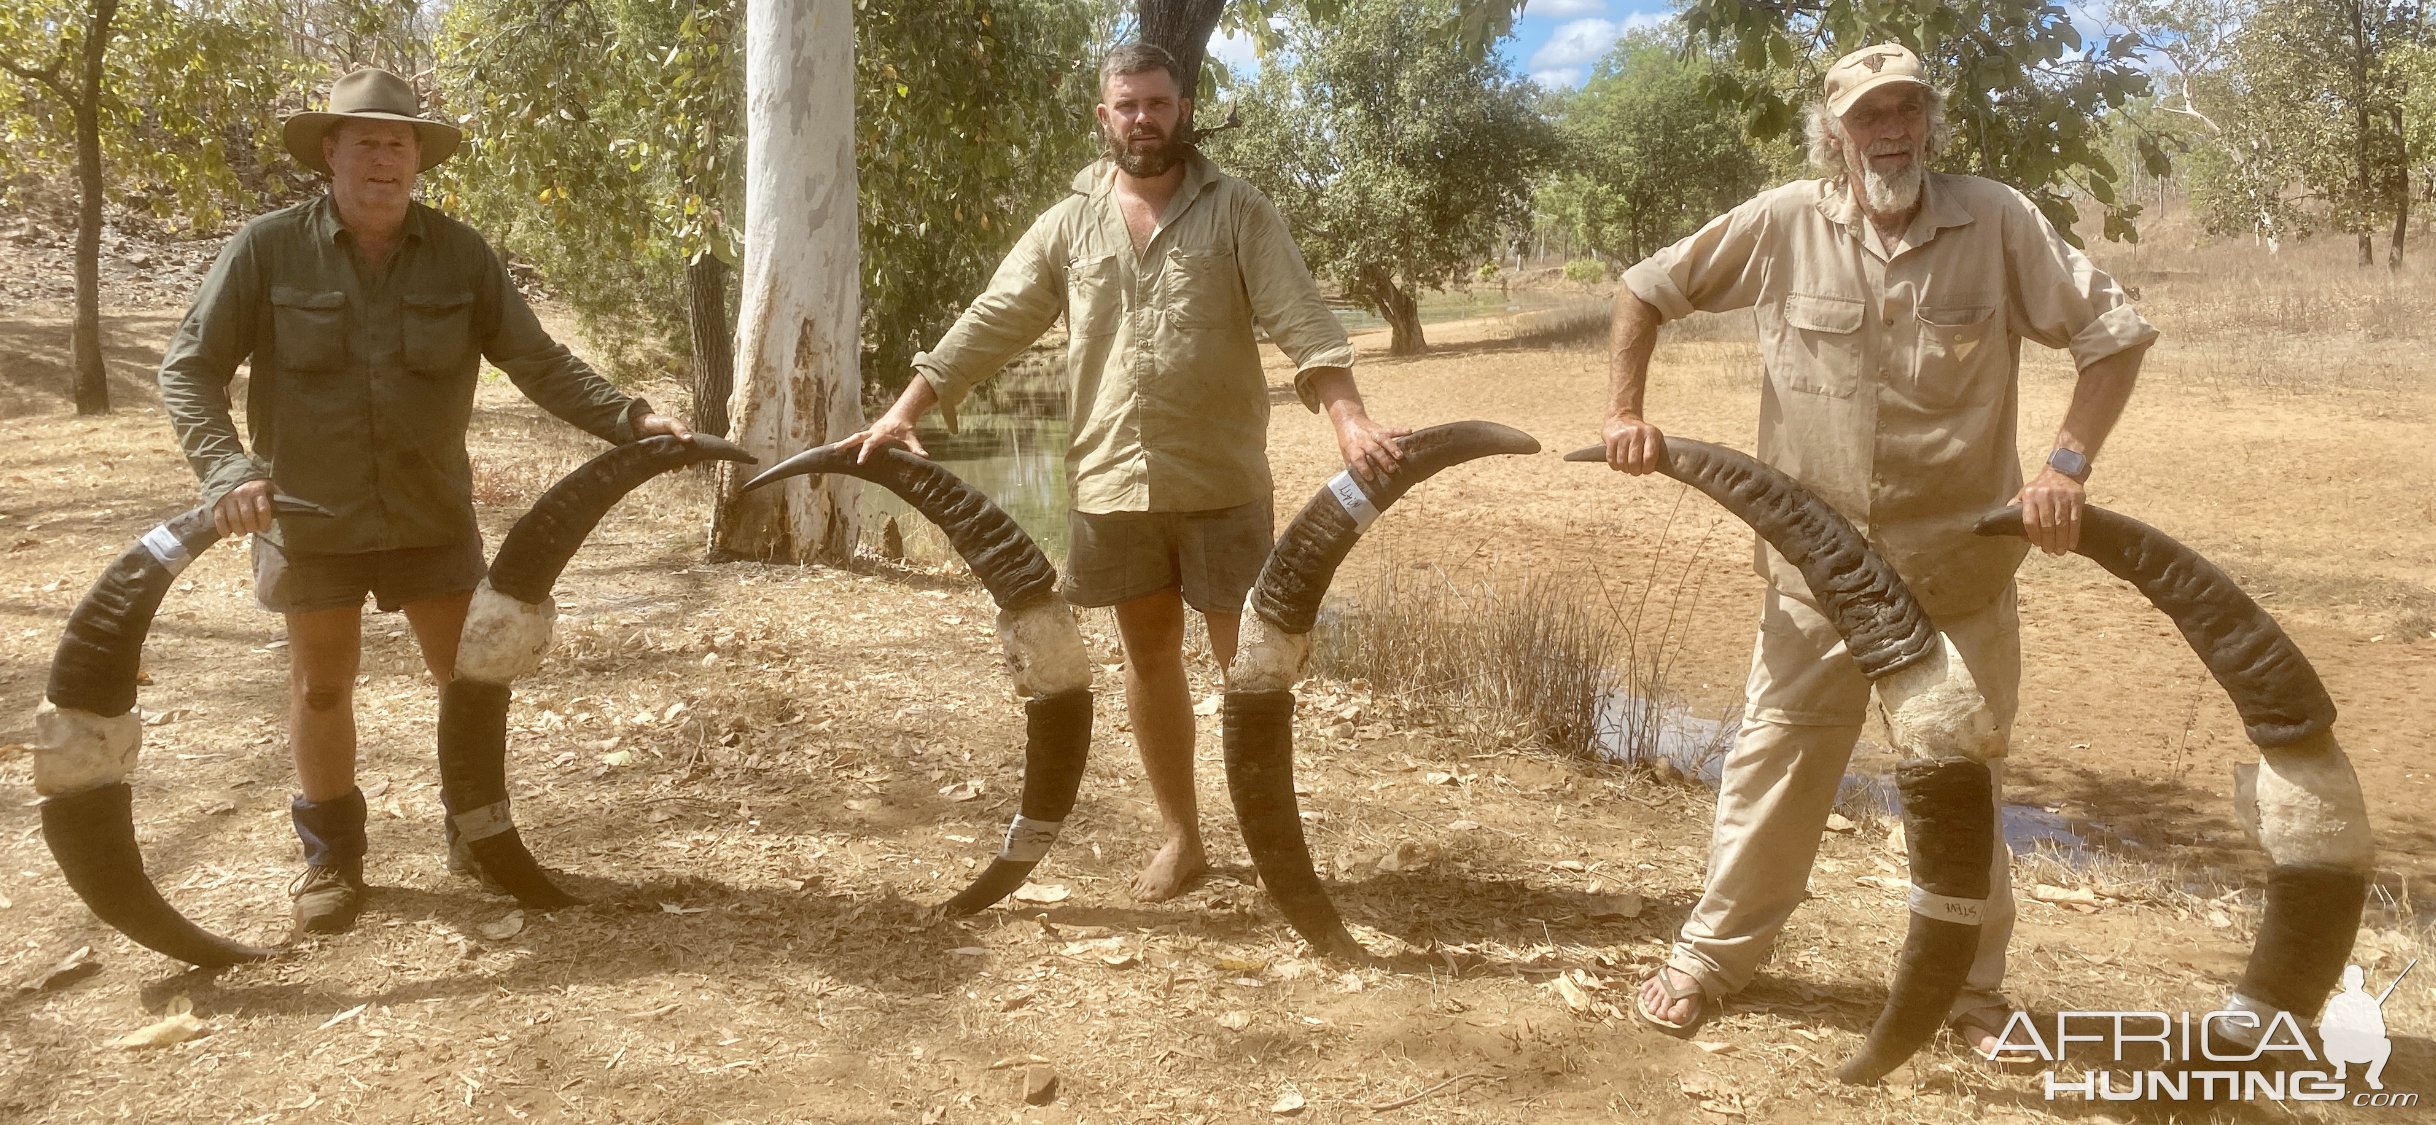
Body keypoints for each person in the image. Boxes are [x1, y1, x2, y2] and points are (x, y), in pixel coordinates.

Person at [1598, 43, 2156, 1050]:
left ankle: (1972, 994)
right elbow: (1645, 287)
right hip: (1816, 581)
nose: (1890, 129)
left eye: (1906, 110)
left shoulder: (1996, 218)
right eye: (1869, 115)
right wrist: (1626, 414)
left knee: (1957, 782)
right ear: (1835, 132)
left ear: (1929, 122)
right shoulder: (1780, 223)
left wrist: (2065, 467)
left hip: (1958, 574)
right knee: (1773, 763)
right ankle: (1709, 959)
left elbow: (2112, 335)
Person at [842, 43, 1404, 902]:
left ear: (1184, 109)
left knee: (1249, 668)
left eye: (1158, 103)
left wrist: (1346, 412)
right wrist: (907, 408)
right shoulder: (1070, 223)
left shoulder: (1238, 210)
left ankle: (1272, 846)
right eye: (1127, 106)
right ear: (1103, 117)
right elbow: (997, 315)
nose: (1143, 119)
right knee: (1148, 656)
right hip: (1111, 482)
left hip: (1221, 480)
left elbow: (1300, 313)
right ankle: (1183, 839)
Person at [156, 68, 691, 935]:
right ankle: (331, 856)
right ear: (330, 151)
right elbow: (189, 370)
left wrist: (629, 417)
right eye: (364, 141)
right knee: (321, 687)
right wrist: (227, 475)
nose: (382, 158)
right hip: (309, 516)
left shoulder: (462, 254)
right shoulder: (265, 249)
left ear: (418, 159)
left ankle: (474, 831)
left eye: (397, 143)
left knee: (468, 681)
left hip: (430, 514)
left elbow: (538, 359)